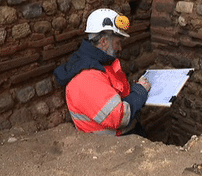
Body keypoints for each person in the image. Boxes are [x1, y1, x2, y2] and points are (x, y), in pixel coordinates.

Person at [54, 8, 150, 136]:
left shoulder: (101, 64)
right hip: (112, 147)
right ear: (104, 41)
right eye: (118, 42)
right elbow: (119, 117)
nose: (120, 48)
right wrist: (139, 92)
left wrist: (133, 90)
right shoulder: (87, 78)